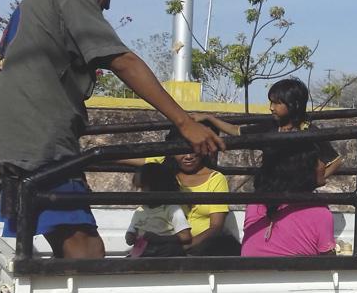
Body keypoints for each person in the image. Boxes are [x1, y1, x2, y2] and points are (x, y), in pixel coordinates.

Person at [0, 0, 221, 259]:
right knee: (87, 253)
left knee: (62, 249)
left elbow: (2, 77)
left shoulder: (35, 0)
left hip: (12, 146)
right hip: (43, 147)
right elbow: (123, 61)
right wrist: (185, 123)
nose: (106, 5)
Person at [193, 77, 343, 180]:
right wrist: (209, 118)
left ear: (294, 104)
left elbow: (336, 161)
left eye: (277, 103)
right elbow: (236, 130)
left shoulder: (310, 131)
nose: (271, 108)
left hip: (297, 194)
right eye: (271, 102)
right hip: (270, 189)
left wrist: (314, 181)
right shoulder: (270, 127)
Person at [125, 124, 240, 256]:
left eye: (194, 149)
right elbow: (124, 157)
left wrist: (184, 248)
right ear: (172, 152)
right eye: (181, 150)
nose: (188, 156)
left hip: (201, 248)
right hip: (163, 245)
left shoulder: (216, 179)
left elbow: (216, 227)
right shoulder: (163, 169)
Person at [240, 145, 335, 257]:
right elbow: (330, 265)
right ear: (305, 170)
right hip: (296, 273)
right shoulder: (320, 213)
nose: (323, 165)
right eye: (317, 161)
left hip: (249, 273)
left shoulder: (254, 204)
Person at [125, 164, 192, 257]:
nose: (138, 192)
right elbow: (130, 232)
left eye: (142, 187)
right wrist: (130, 237)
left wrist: (160, 239)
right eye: (137, 188)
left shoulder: (172, 209)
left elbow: (185, 236)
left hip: (165, 253)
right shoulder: (140, 211)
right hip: (142, 252)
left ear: (157, 186)